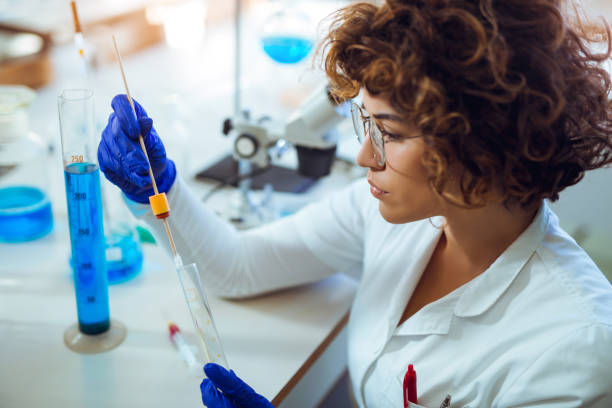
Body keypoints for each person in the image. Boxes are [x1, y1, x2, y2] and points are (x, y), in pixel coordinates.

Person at [98, 0, 612, 406]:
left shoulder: (574, 348)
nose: (365, 155)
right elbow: (237, 268)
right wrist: (157, 191)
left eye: (388, 131)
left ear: (482, 140)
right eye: (364, 123)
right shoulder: (394, 213)